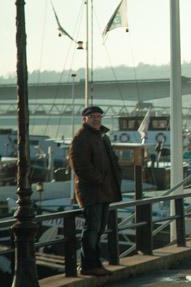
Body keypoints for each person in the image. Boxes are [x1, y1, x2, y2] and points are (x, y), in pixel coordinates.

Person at [69, 106, 122, 276]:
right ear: (84, 119)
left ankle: (95, 263)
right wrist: (98, 179)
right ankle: (89, 265)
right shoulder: (81, 138)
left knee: (99, 229)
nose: (96, 119)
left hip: (105, 191)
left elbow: (111, 161)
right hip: (92, 191)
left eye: (99, 116)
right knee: (92, 228)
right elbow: (80, 166)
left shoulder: (101, 137)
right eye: (92, 116)